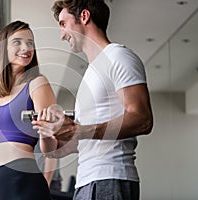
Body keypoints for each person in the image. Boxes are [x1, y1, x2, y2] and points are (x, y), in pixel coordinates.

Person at [32, 0, 154, 200]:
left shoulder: (119, 57)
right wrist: (47, 131)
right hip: (86, 182)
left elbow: (143, 119)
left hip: (111, 178)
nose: (62, 35)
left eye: (63, 23)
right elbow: (57, 151)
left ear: (84, 16)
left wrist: (78, 130)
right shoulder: (90, 74)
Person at [0, 20, 57, 200]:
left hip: (23, 180)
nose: (26, 48)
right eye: (18, 42)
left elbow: (52, 147)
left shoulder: (37, 83)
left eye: (30, 43)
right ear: (3, 49)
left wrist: (45, 182)